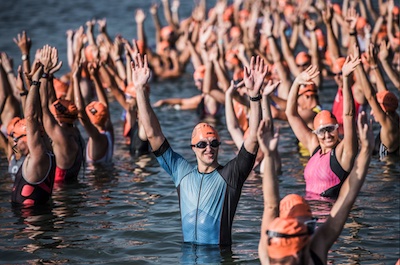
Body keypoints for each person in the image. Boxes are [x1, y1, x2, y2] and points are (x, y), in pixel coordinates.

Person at [131, 53, 266, 245]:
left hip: (217, 258)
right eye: (202, 144)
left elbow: (252, 137)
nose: (209, 148)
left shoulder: (231, 176)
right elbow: (153, 134)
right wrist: (139, 90)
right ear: (193, 148)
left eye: (214, 143)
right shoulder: (180, 172)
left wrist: (254, 96)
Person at [257, 110, 374, 264]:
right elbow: (347, 198)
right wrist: (366, 149)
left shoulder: (267, 257)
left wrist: (269, 155)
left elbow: (271, 206)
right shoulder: (314, 254)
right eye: (310, 226)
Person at [285, 58, 359, 198]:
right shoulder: (314, 147)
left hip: (333, 216)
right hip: (311, 215)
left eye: (330, 129)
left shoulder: (343, 153)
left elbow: (348, 115)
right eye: (321, 131)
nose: (327, 136)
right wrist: (296, 82)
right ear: (316, 133)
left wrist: (345, 80)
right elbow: (291, 114)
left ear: (337, 128)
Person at [10, 63, 56, 206]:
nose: (15, 143)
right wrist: (26, 89)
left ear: (29, 138)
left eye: (16, 139)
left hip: (32, 225)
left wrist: (36, 82)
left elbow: (31, 118)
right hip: (30, 220)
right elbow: (37, 116)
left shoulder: (38, 157)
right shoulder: (44, 150)